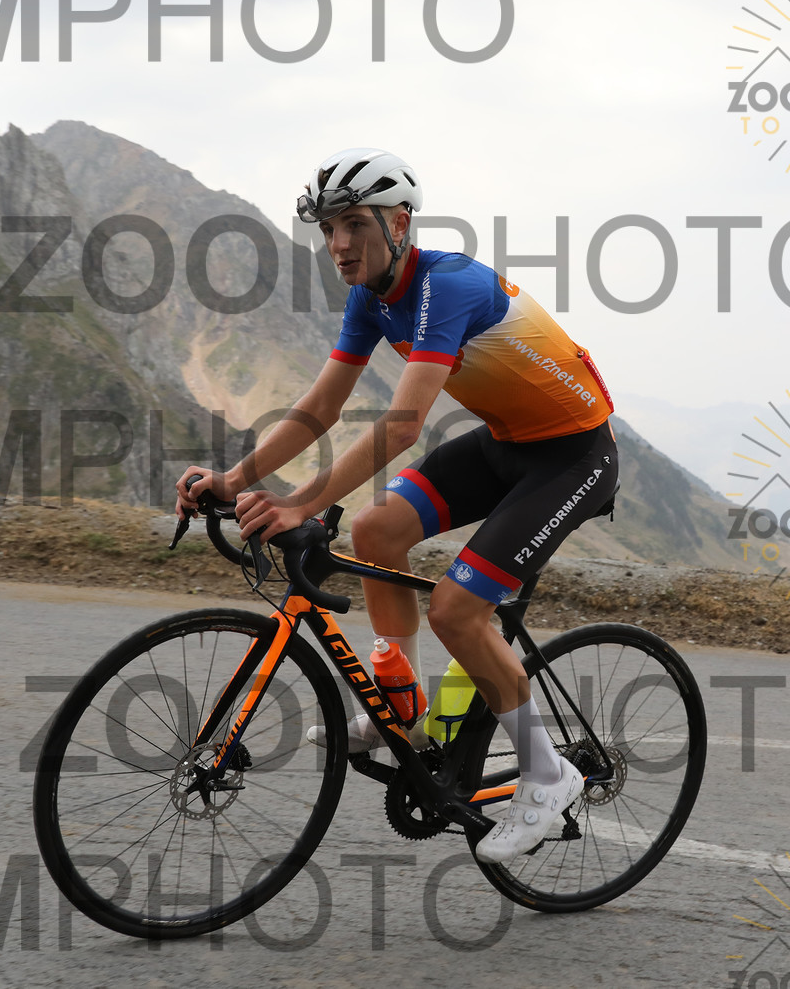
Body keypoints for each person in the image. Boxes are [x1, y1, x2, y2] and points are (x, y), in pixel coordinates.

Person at [175, 147, 619, 863]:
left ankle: (547, 774)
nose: (338, 243)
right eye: (328, 228)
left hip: (573, 457)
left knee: (456, 610)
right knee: (377, 529)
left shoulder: (449, 285)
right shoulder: (371, 299)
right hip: (506, 444)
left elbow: (404, 424)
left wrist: (301, 502)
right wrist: (233, 480)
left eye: (354, 223)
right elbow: (320, 407)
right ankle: (401, 708)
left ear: (400, 223)